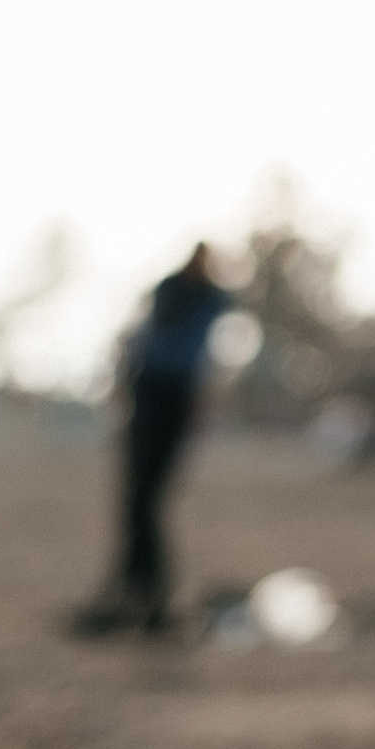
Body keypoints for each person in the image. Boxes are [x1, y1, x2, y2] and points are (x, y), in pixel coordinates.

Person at [70, 244, 231, 637]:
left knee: (144, 500)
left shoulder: (203, 299)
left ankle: (146, 592)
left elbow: (162, 348)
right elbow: (148, 345)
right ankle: (140, 590)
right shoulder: (187, 296)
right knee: (140, 500)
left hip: (167, 396)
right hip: (157, 395)